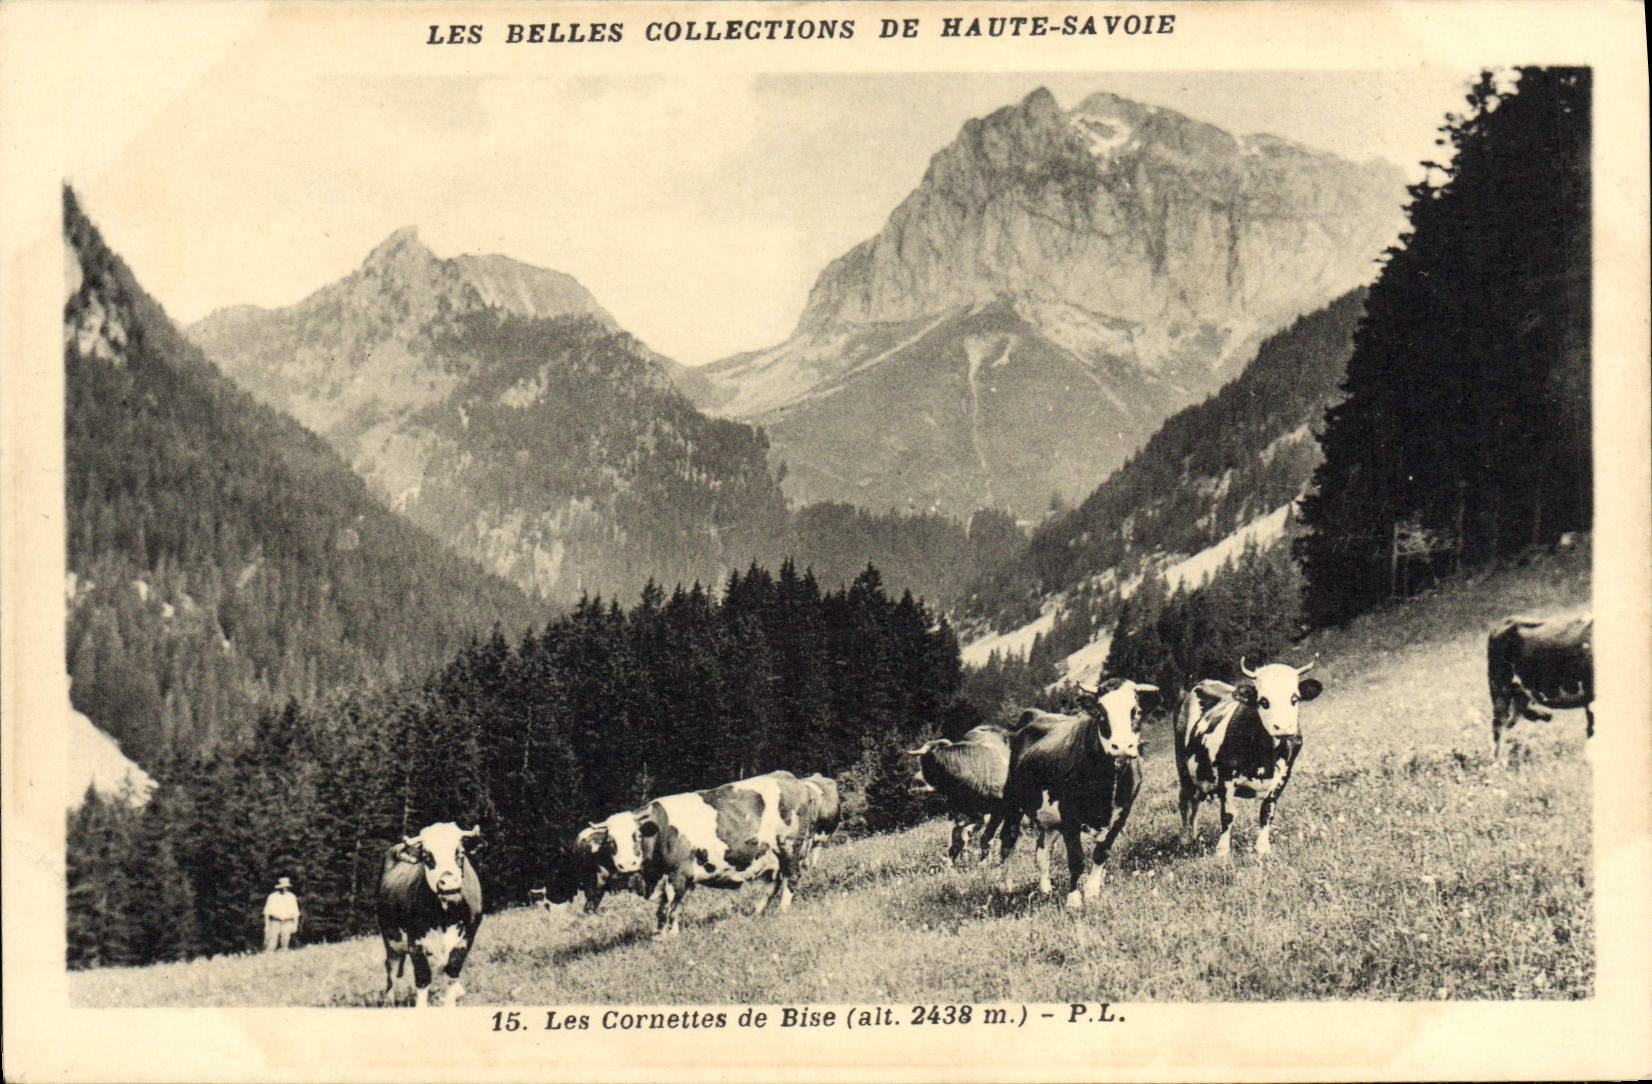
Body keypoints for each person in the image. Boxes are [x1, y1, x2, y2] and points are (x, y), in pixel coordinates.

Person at [263, 876, 300, 951]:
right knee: (272, 942)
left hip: (287, 921)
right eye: (282, 887)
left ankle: (283, 956)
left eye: (286, 887)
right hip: (275, 921)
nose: (284, 889)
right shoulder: (273, 897)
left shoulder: (291, 896)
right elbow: (267, 912)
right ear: (279, 887)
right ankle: (269, 956)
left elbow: (296, 913)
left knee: (285, 941)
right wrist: (267, 925)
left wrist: (295, 925)